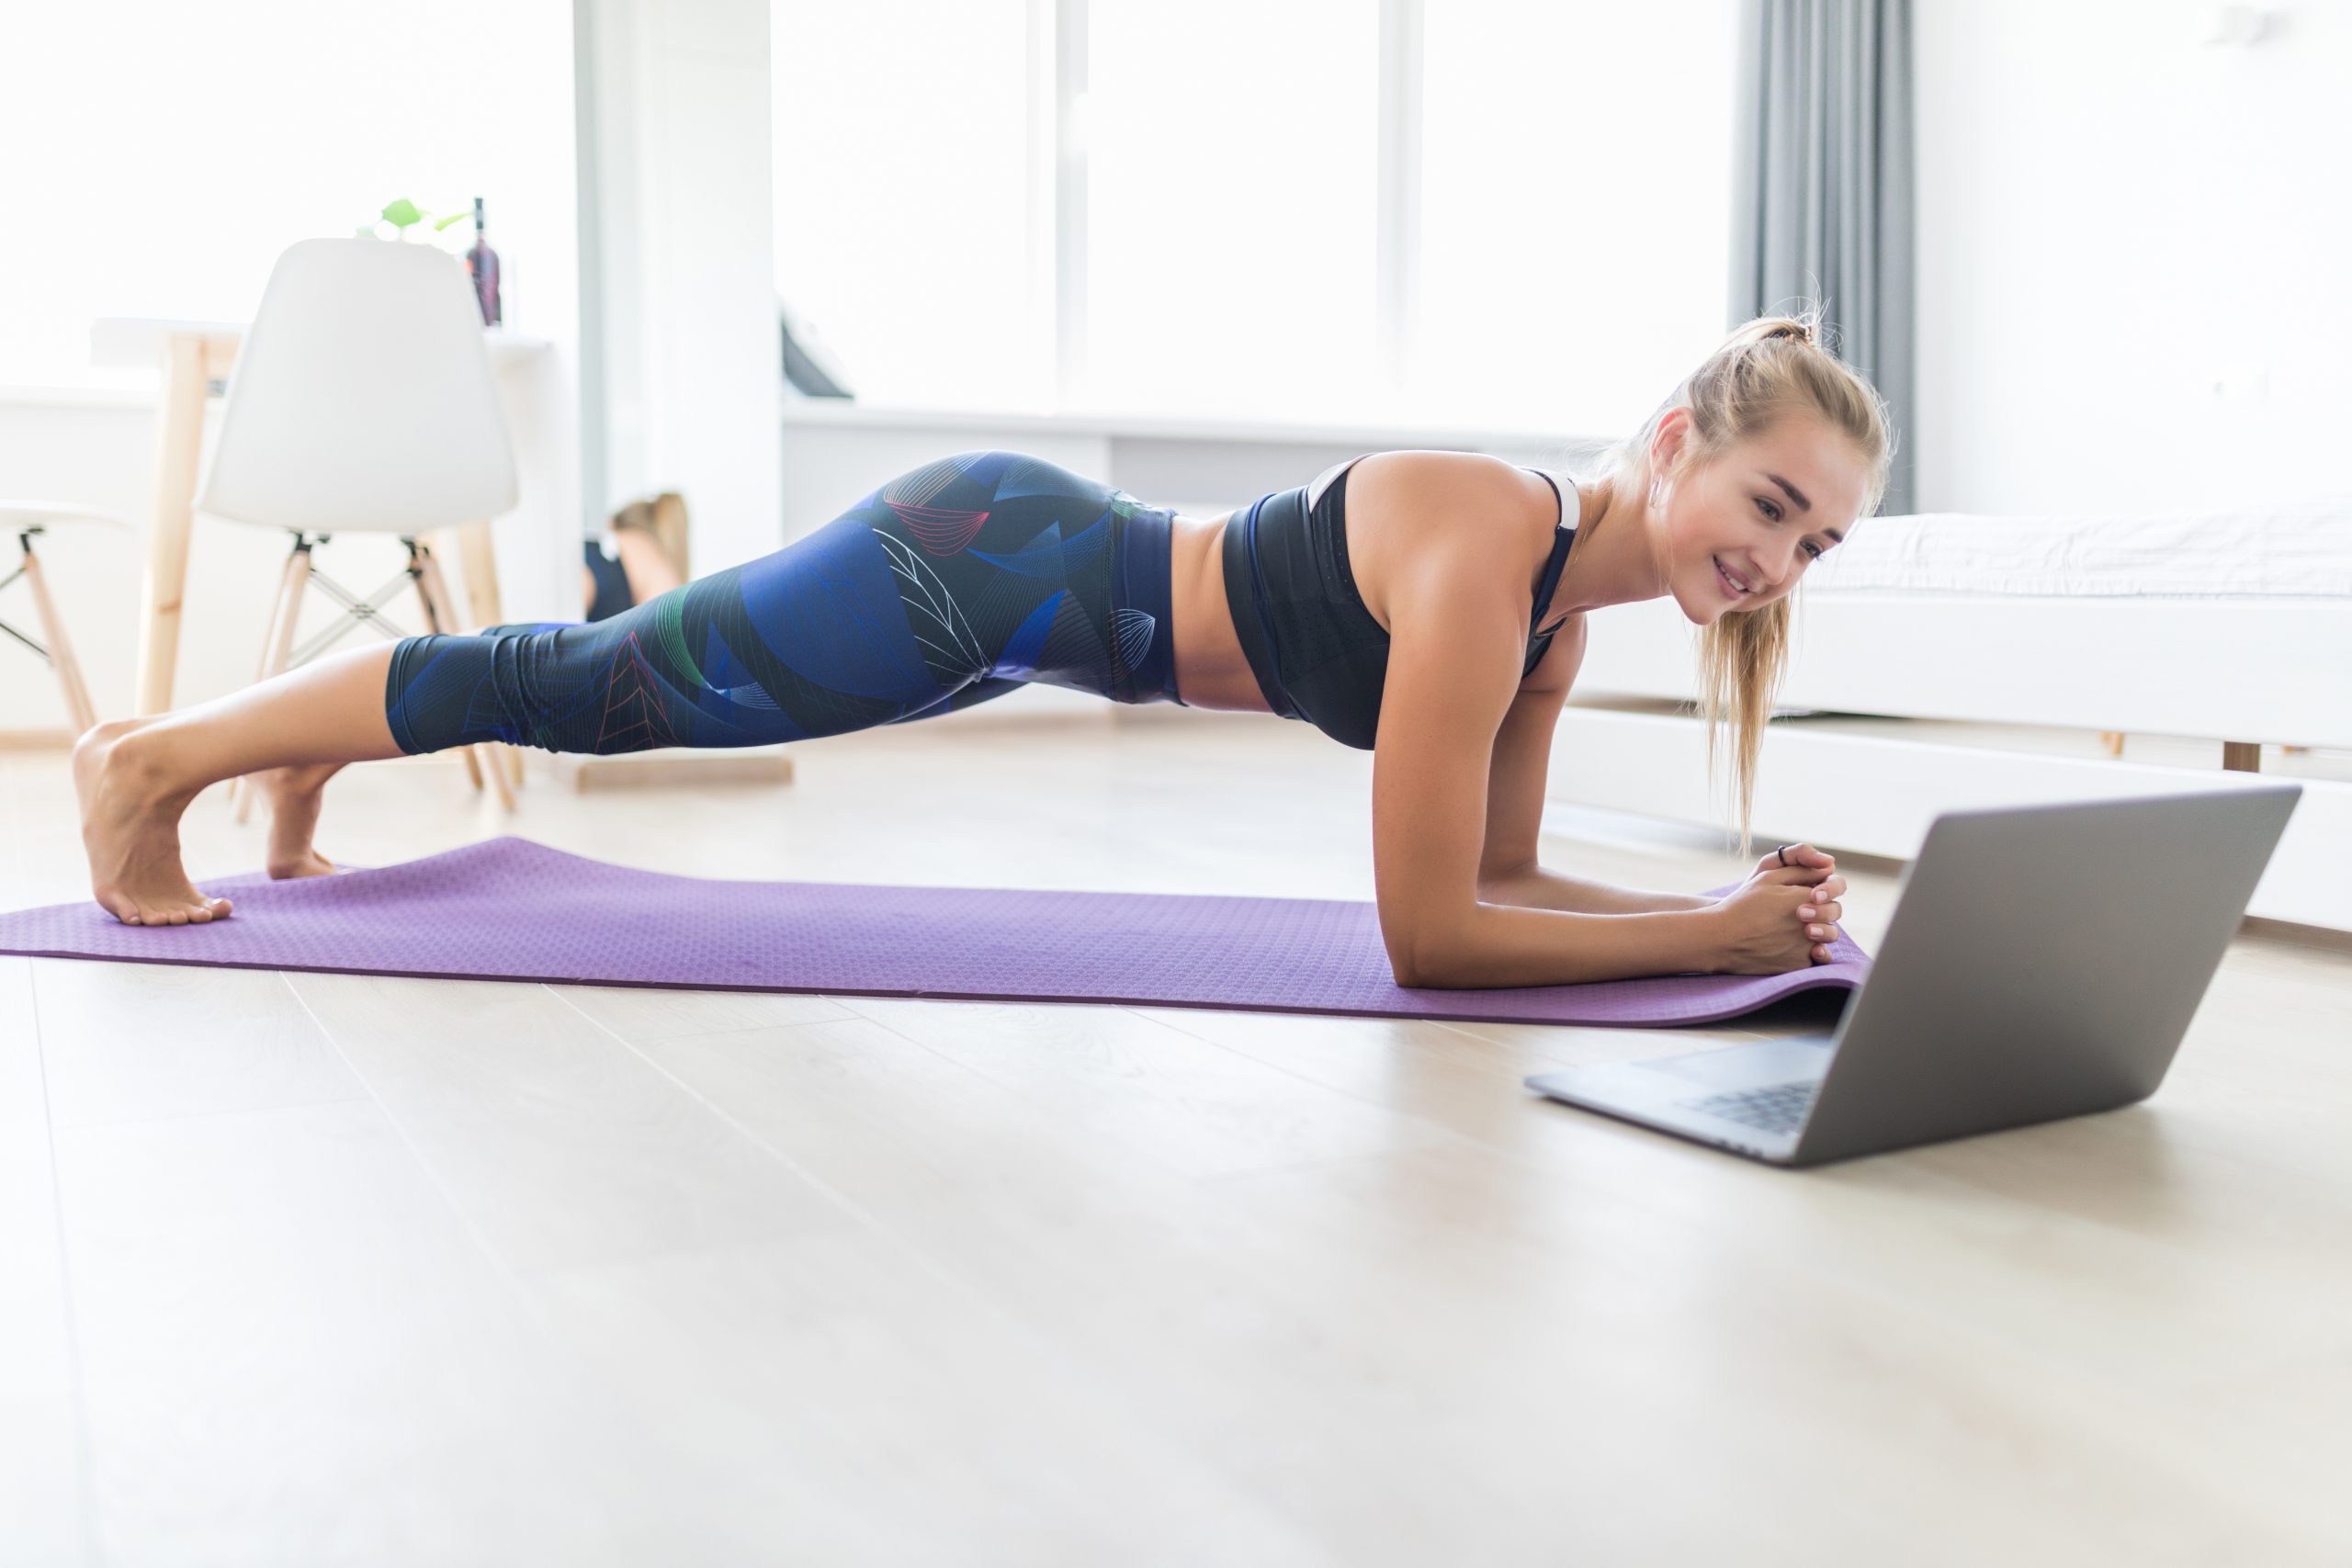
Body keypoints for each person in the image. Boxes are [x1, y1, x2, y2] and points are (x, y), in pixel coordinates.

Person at [71, 310, 1888, 987]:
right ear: (1675, 441)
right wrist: (1706, 938)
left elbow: (1500, 880)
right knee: (599, 691)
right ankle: (151, 759)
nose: (1777, 558)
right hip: (980, 567)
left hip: (1021, 620)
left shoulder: (1546, 622)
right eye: (1771, 499)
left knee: (592, 676)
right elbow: (1427, 941)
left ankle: (299, 753)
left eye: (1815, 539)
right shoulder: (1491, 545)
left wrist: (1715, 916)